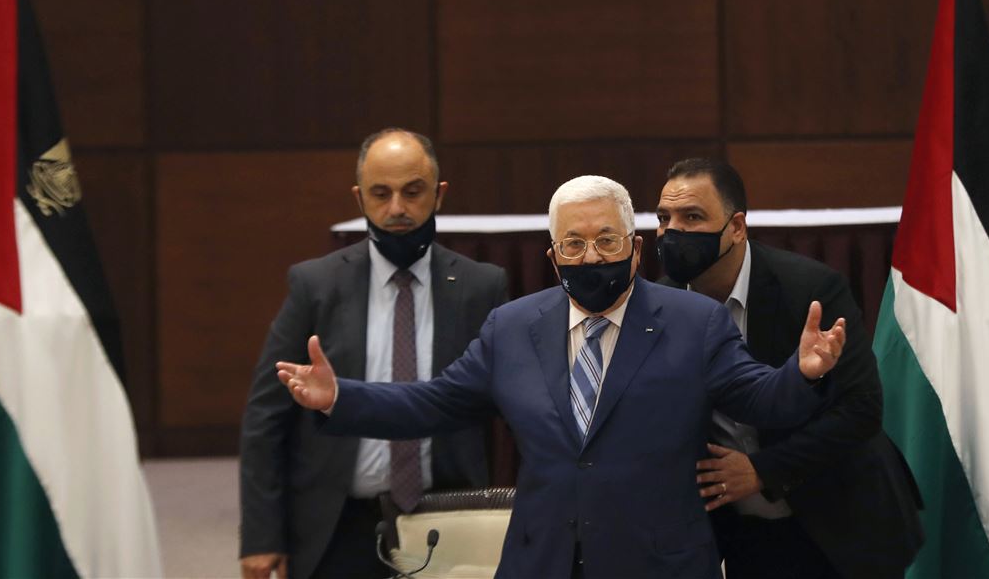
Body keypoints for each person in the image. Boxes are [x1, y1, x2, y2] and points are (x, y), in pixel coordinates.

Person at [276, 175, 848, 579]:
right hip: (543, 559)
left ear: (636, 247)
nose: (591, 255)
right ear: (554, 256)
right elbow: (432, 403)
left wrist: (802, 374)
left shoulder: (693, 323)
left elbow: (761, 399)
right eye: (574, 243)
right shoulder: (512, 328)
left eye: (606, 240)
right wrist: (338, 398)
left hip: (658, 563)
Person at [239, 128, 509, 579]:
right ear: (359, 198)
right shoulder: (316, 286)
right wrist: (262, 537)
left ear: (439, 195)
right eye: (380, 194)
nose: (397, 209)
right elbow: (266, 415)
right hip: (337, 521)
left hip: (449, 513)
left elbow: (513, 410)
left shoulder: (481, 287)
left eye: (413, 191)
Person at [654, 157, 924, 579]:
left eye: (692, 217)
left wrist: (762, 471)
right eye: (663, 218)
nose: (673, 232)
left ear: (737, 227)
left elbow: (862, 409)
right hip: (745, 534)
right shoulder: (660, 307)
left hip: (840, 521)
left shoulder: (810, 289)